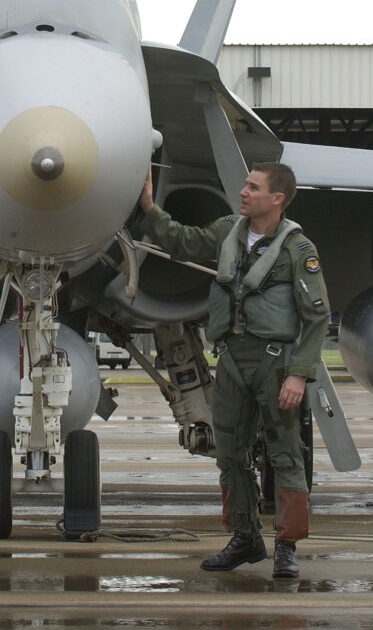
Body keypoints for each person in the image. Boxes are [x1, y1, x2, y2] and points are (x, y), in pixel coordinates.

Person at [138, 161, 330, 579]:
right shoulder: (229, 232)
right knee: (229, 453)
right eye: (245, 185)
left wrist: (299, 374)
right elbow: (184, 243)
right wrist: (151, 209)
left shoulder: (299, 251)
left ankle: (287, 546)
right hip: (230, 360)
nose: (243, 192)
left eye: (253, 187)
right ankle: (245, 537)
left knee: (285, 455)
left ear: (276, 199)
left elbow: (317, 317)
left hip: (274, 363)